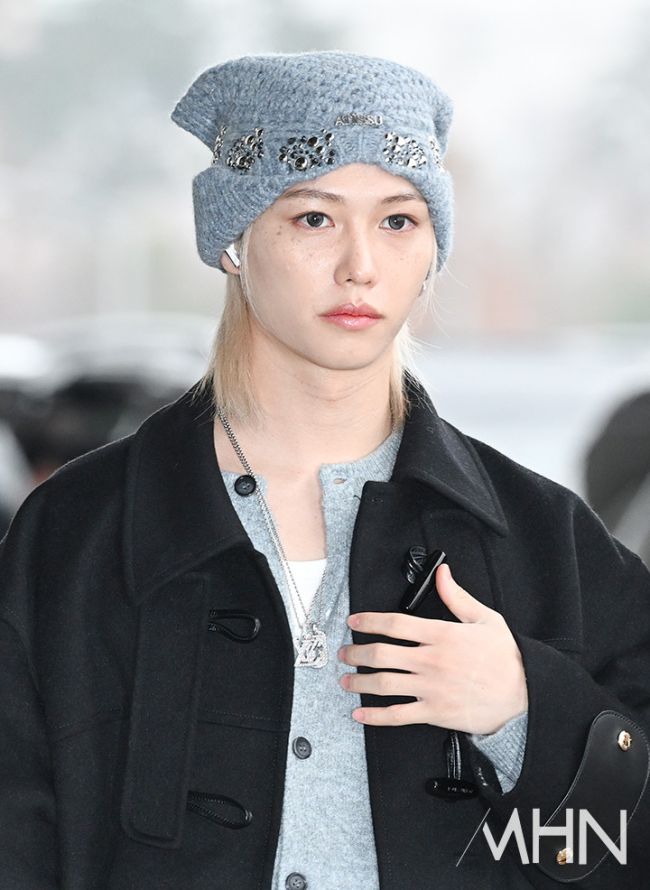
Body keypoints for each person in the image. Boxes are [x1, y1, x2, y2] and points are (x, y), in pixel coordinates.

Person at [0, 50, 648, 890]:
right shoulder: (77, 534)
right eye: (314, 218)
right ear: (233, 240)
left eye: (398, 221)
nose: (361, 267)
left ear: (433, 249)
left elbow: (624, 851)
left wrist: (527, 712)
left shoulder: (544, 540)